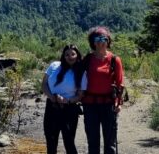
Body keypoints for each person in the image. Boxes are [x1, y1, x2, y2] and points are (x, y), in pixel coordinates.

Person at [81, 26, 124, 154]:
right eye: (97, 38)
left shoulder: (114, 60)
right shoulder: (88, 59)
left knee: (110, 142)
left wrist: (119, 102)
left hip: (108, 104)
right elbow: (78, 77)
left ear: (108, 41)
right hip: (90, 104)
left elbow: (120, 83)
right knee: (93, 141)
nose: (101, 41)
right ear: (93, 42)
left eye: (104, 38)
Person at [42, 44, 87, 154]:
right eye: (67, 54)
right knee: (51, 140)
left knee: (69, 142)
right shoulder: (54, 66)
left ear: (77, 55)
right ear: (63, 56)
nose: (70, 57)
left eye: (73, 54)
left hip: (69, 109)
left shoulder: (81, 72)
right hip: (52, 107)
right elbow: (44, 84)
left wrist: (67, 100)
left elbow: (80, 95)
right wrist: (52, 97)